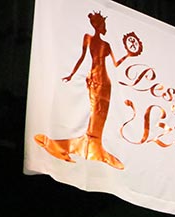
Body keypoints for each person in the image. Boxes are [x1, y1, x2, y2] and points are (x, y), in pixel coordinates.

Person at [33, 10, 138, 169]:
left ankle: (97, 147)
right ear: (97, 25)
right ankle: (79, 144)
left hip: (106, 81)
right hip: (94, 79)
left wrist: (128, 55)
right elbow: (82, 57)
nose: (104, 28)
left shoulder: (107, 45)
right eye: (103, 25)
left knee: (102, 112)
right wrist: (71, 74)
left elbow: (116, 64)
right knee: (94, 110)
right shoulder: (88, 38)